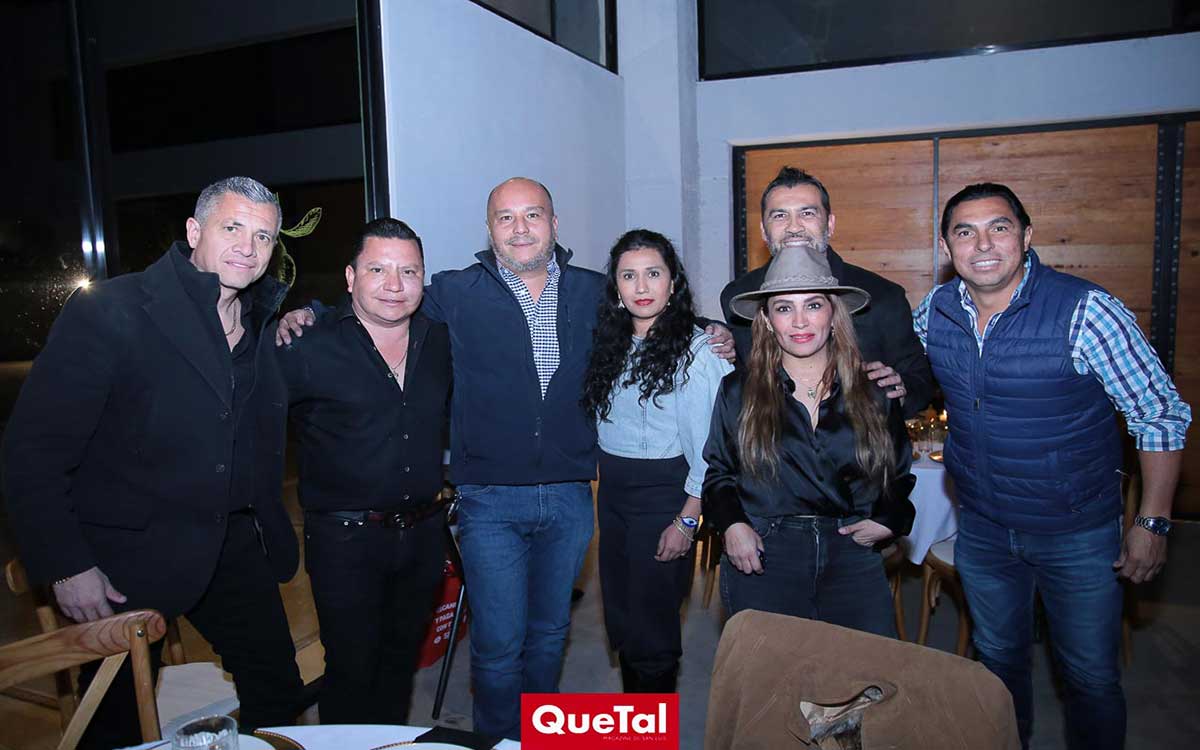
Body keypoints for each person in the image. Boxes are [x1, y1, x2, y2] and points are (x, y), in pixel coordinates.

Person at [275, 177, 735, 739]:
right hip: (488, 500)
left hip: (569, 498)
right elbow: (385, 297)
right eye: (505, 217)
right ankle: (495, 741)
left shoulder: (594, 291)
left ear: (553, 224)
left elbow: (654, 314)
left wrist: (715, 331)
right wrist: (309, 312)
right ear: (489, 229)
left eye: (532, 215)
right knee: (496, 647)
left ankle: (533, 739)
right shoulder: (455, 291)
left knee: (549, 638)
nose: (520, 228)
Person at [2, 176, 303, 747]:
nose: (248, 247)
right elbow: (33, 450)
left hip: (234, 544)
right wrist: (66, 565)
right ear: (194, 231)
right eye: (232, 227)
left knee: (279, 696)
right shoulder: (112, 309)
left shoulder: (261, 320)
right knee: (114, 725)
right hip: (128, 560)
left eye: (263, 236)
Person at [914, 183, 1191, 750]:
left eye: (999, 227)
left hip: (1077, 533)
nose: (983, 244)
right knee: (996, 661)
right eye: (965, 232)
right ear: (947, 247)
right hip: (984, 528)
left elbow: (1159, 414)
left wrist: (1153, 521)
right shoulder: (934, 312)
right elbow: (902, 371)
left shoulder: (1085, 310)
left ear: (1026, 236)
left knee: (1089, 676)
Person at [277, 218, 450, 724]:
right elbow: (250, 431)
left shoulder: (440, 341)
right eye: (378, 269)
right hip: (345, 542)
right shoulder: (305, 345)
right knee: (351, 672)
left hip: (423, 538)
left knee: (400, 668)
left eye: (408, 272)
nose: (395, 285)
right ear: (351, 277)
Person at [703, 244, 915, 636]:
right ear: (767, 321)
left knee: (864, 669)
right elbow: (719, 473)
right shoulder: (738, 390)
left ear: (834, 314)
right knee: (769, 671)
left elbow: (899, 473)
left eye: (813, 305)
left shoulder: (874, 390)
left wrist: (889, 519)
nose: (800, 321)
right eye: (784, 308)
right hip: (764, 552)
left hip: (851, 551)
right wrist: (732, 525)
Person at [581, 229, 732, 694]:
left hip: (665, 497)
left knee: (653, 632)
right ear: (616, 287)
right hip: (614, 497)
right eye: (629, 276)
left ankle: (651, 723)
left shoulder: (698, 352)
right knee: (625, 620)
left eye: (653, 274)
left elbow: (712, 449)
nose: (641, 287)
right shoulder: (611, 344)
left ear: (673, 283)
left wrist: (687, 520)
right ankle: (638, 724)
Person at [721, 166, 933, 418]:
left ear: (830, 224)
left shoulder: (883, 296)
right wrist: (715, 335)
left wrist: (901, 391)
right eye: (780, 216)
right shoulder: (739, 295)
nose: (794, 227)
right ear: (763, 231)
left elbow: (921, 379)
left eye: (807, 213)